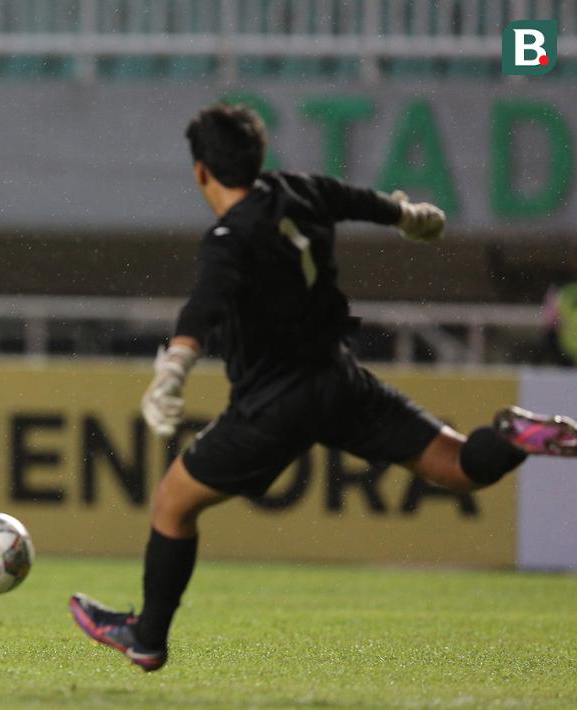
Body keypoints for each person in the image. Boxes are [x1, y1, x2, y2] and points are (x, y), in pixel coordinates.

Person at [69, 103, 577, 672]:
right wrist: (407, 216)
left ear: (201, 172)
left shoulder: (227, 237)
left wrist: (172, 372)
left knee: (173, 503)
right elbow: (356, 200)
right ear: (258, 157)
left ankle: (147, 636)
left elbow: (203, 306)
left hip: (273, 404)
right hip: (340, 381)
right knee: (457, 465)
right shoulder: (298, 191)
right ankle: (515, 437)